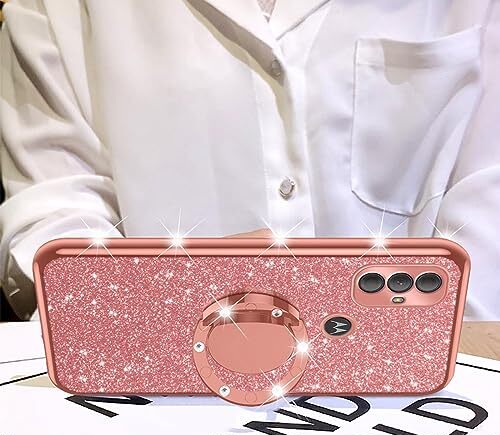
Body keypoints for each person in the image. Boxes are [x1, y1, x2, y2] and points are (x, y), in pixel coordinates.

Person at [1, 0, 499, 322]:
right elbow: (55, 219)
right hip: (150, 410)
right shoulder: (56, 8)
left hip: (431, 409)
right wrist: (182, 317)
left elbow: (488, 215)